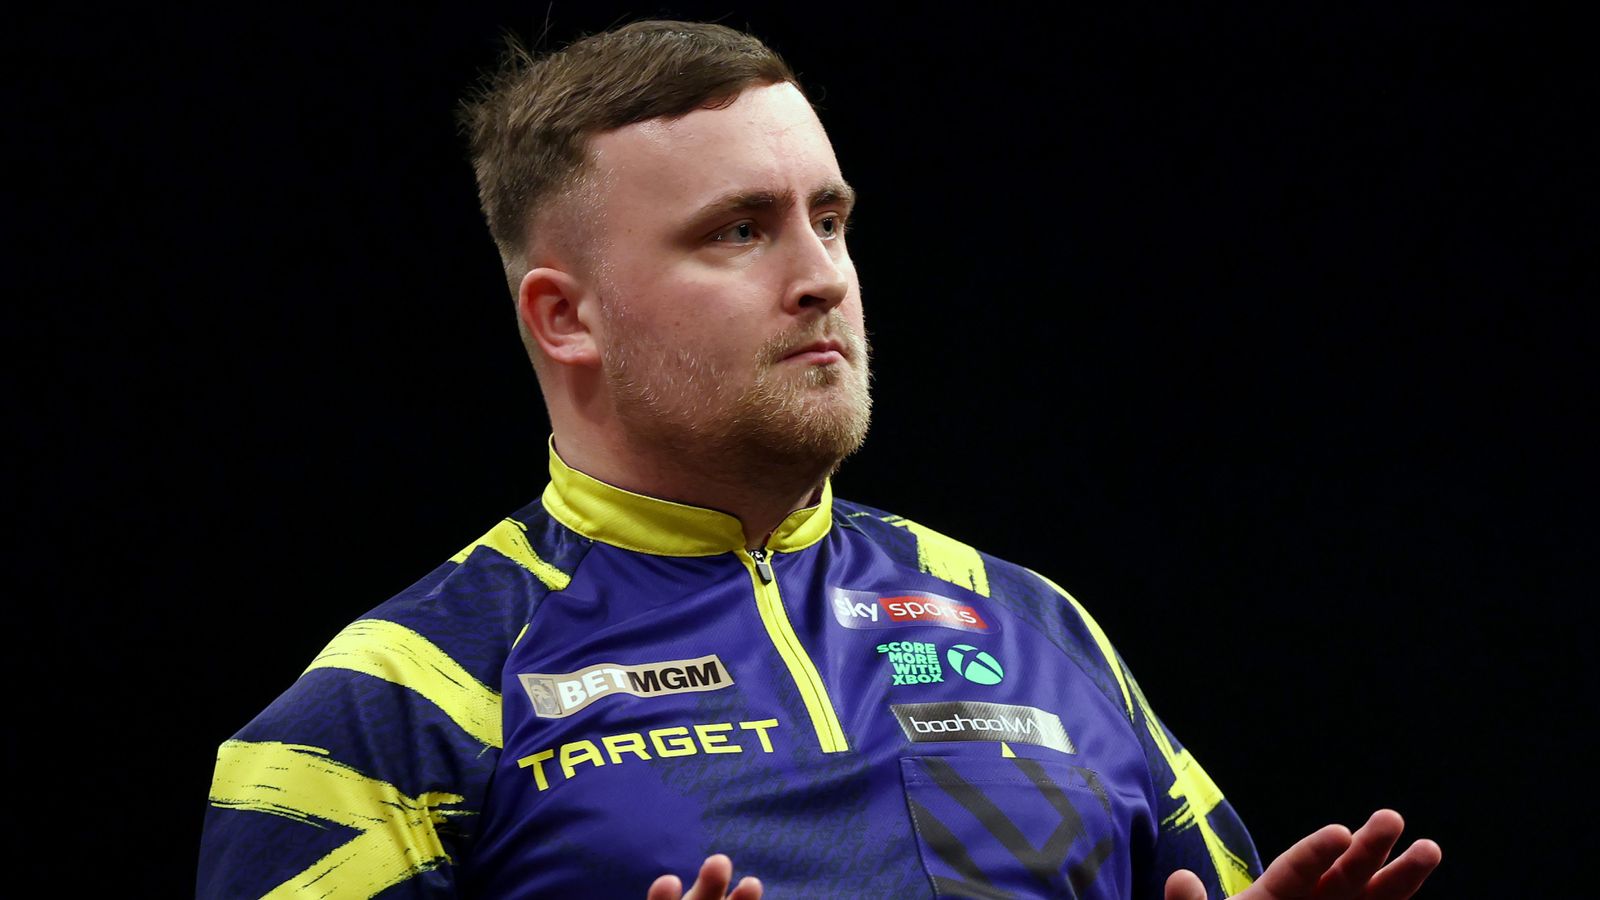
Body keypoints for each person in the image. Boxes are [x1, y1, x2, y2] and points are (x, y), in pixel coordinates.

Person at [198, 20, 1440, 899]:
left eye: (829, 219)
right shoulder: (384, 711)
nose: (821, 277)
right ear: (565, 317)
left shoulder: (1037, 628)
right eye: (739, 231)